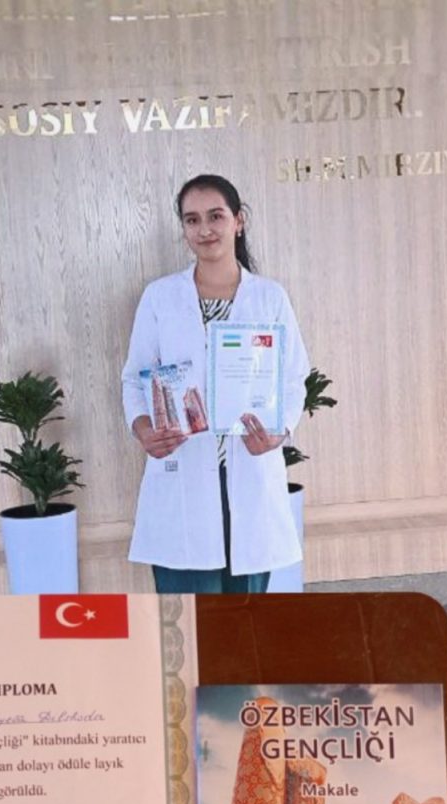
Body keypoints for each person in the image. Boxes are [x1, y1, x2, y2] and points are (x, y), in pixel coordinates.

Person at [121, 173, 309, 593]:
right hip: (183, 466)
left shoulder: (269, 297)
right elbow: (134, 378)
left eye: (215, 216)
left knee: (242, 624)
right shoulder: (160, 297)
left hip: (248, 466)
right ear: (184, 229)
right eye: (191, 220)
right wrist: (144, 429)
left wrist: (278, 433)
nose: (204, 229)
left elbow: (295, 377)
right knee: (187, 618)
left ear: (238, 221)